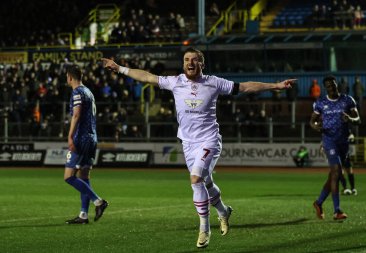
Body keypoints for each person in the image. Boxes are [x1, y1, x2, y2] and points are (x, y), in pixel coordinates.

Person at [101, 48, 295, 248]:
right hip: (187, 143)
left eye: (194, 60)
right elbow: (147, 77)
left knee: (195, 179)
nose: (190, 63)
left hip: (209, 140)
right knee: (206, 182)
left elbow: (245, 87)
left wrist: (275, 86)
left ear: (202, 64)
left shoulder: (214, 82)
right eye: (186, 60)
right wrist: (119, 68)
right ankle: (223, 211)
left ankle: (204, 229)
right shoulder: (175, 82)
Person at [310, 75, 360, 221]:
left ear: (336, 84)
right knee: (337, 171)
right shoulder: (320, 102)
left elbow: (358, 119)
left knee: (334, 175)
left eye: (333, 84)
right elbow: (312, 121)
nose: (332, 87)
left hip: (343, 142)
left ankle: (318, 203)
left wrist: (350, 119)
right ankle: (337, 210)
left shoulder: (348, 100)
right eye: (329, 86)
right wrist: (317, 127)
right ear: (326, 88)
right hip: (329, 141)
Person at [64, 64, 108, 224]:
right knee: (84, 175)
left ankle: (98, 201)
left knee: (68, 177)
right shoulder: (88, 91)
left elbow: (76, 115)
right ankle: (83, 215)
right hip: (92, 137)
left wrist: (70, 136)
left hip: (81, 138)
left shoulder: (77, 92)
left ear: (69, 77)